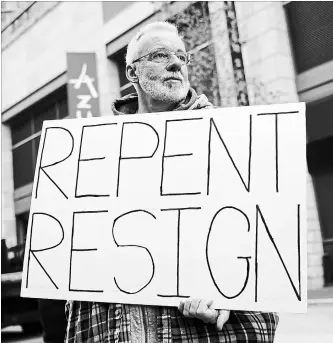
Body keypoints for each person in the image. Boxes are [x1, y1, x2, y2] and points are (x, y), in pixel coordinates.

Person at [65, 21, 279, 342]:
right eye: (160, 55)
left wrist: (230, 294)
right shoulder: (97, 152)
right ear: (133, 73)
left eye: (182, 56)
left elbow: (262, 241)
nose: (177, 63)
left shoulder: (228, 139)